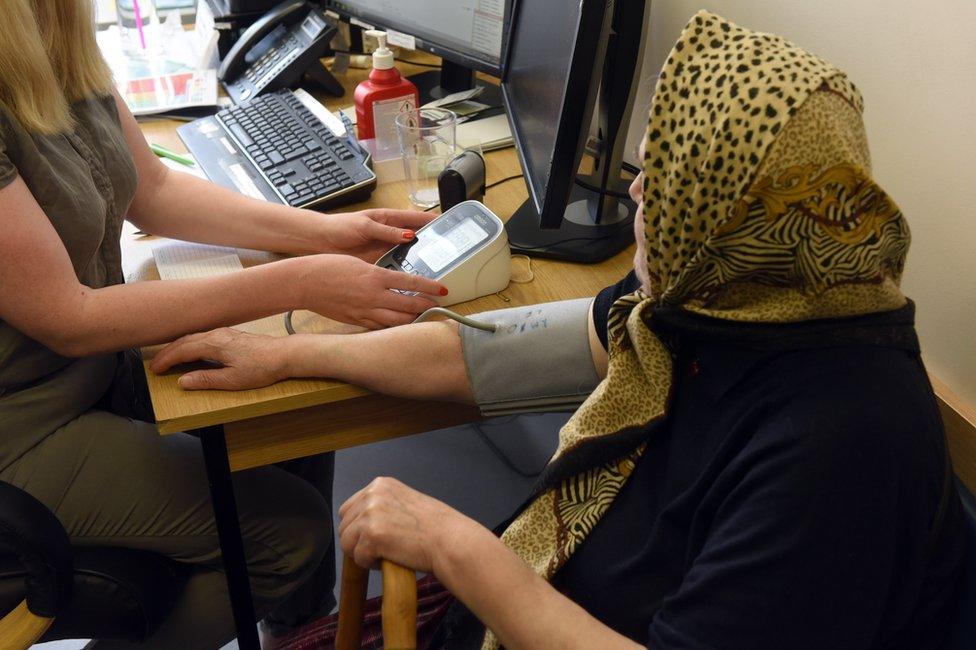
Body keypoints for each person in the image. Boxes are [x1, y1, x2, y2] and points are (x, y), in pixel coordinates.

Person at [152, 11, 966, 650]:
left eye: (664, 176)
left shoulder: (844, 444)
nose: (640, 190)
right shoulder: (728, 297)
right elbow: (491, 358)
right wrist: (288, 351)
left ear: (729, 214)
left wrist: (455, 546)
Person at [0, 1, 448, 648]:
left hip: (84, 374)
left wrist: (324, 234)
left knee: (285, 418)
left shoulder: (53, 31)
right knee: (285, 534)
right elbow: (70, 317)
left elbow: (152, 188)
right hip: (22, 424)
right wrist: (300, 278)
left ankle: (300, 634)